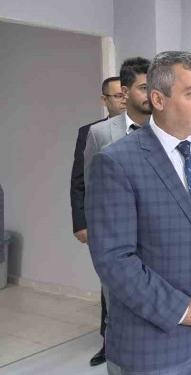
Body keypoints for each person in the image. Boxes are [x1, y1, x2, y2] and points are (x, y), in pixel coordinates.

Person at [86, 51, 191, 375]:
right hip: (155, 346)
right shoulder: (117, 162)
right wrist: (183, 310)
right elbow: (114, 258)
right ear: (158, 99)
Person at [69, 75, 124, 366]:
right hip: (106, 223)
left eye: (125, 93)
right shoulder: (91, 133)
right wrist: (81, 222)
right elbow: (80, 180)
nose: (123, 100)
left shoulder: (148, 128)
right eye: (117, 96)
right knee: (109, 285)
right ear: (105, 100)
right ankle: (108, 341)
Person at [83, 57, 151, 182]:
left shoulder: (168, 129)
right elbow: (92, 184)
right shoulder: (100, 132)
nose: (151, 93)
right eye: (144, 88)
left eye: (154, 87)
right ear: (125, 91)